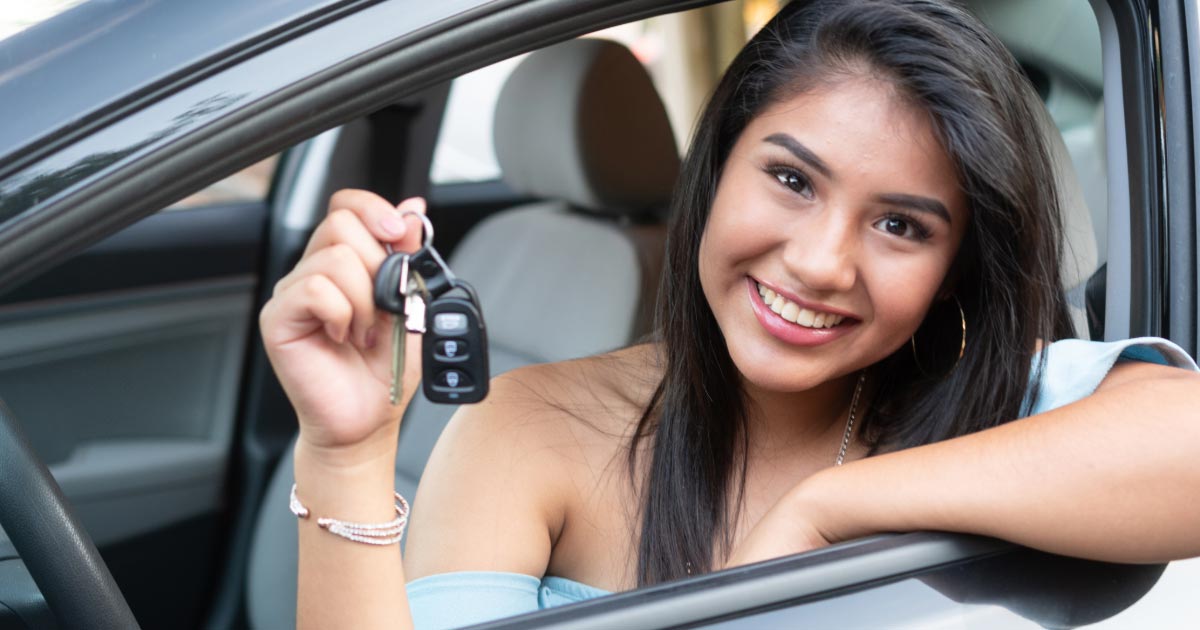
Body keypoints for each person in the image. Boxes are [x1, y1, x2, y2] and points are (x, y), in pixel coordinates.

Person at [258, 0, 1200, 627]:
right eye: (791, 178)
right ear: (714, 171)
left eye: (903, 226)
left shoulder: (992, 407)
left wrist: (830, 508)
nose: (822, 263)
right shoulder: (531, 428)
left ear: (956, 270)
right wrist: (343, 456)